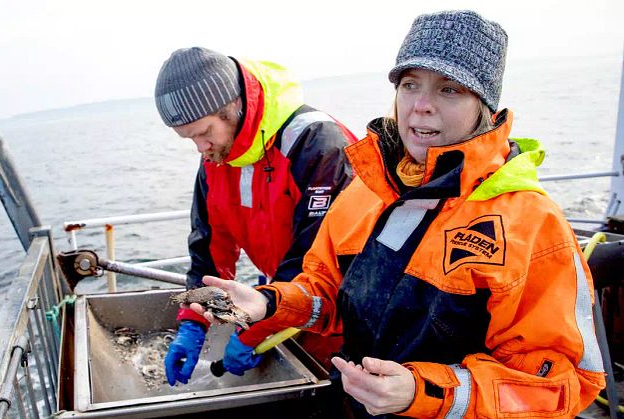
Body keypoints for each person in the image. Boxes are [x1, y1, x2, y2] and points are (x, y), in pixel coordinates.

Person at [189, 10, 606, 417]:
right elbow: (326, 295)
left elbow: (564, 385)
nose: (421, 105)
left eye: (449, 89)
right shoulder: (363, 193)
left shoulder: (532, 225)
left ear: (485, 107)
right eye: (410, 84)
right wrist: (269, 303)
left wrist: (423, 392)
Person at [155, 47, 356, 386]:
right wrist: (193, 320)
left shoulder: (319, 147)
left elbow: (318, 259)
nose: (200, 147)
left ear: (232, 107)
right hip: (280, 307)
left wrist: (255, 328)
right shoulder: (216, 159)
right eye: (189, 138)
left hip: (341, 322)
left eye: (204, 132)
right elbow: (208, 249)